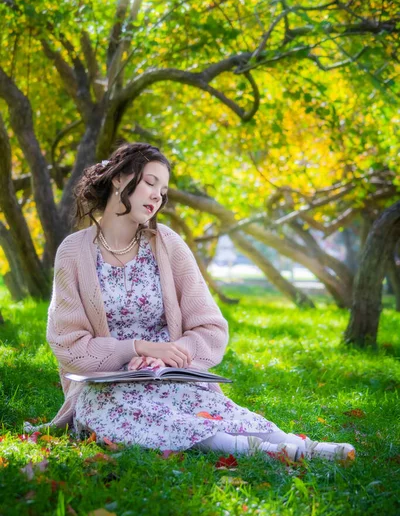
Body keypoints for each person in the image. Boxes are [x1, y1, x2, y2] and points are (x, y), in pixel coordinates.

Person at [45, 142, 355, 462]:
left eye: (163, 191)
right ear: (119, 179)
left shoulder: (167, 244)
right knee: (143, 417)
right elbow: (70, 346)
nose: (157, 196)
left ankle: (301, 445)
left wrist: (171, 357)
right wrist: (138, 348)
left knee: (219, 411)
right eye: (150, 183)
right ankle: (263, 453)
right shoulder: (74, 252)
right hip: (108, 391)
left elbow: (210, 328)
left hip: (170, 379)